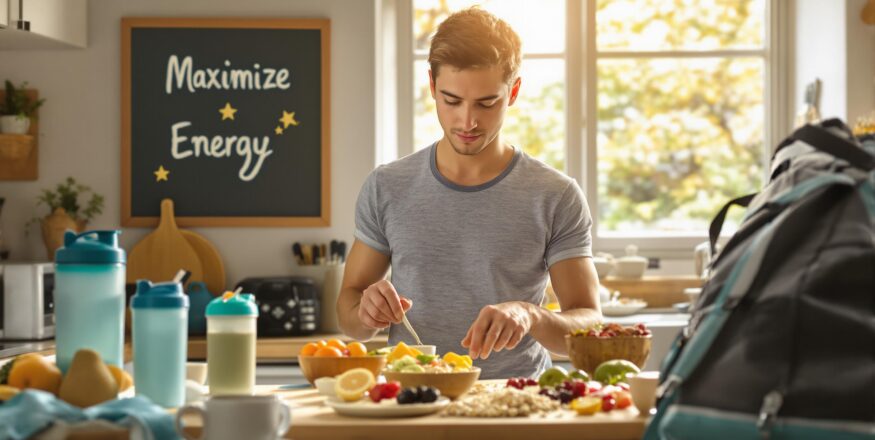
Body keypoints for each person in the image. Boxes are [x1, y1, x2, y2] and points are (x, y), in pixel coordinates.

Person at [337, 7, 601, 379]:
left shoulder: (555, 194)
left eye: (486, 103)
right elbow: (349, 309)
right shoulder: (387, 187)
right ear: (431, 86)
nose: (467, 122)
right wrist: (365, 313)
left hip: (516, 404)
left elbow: (589, 326)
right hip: (413, 402)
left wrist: (529, 314)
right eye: (452, 100)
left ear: (514, 92)